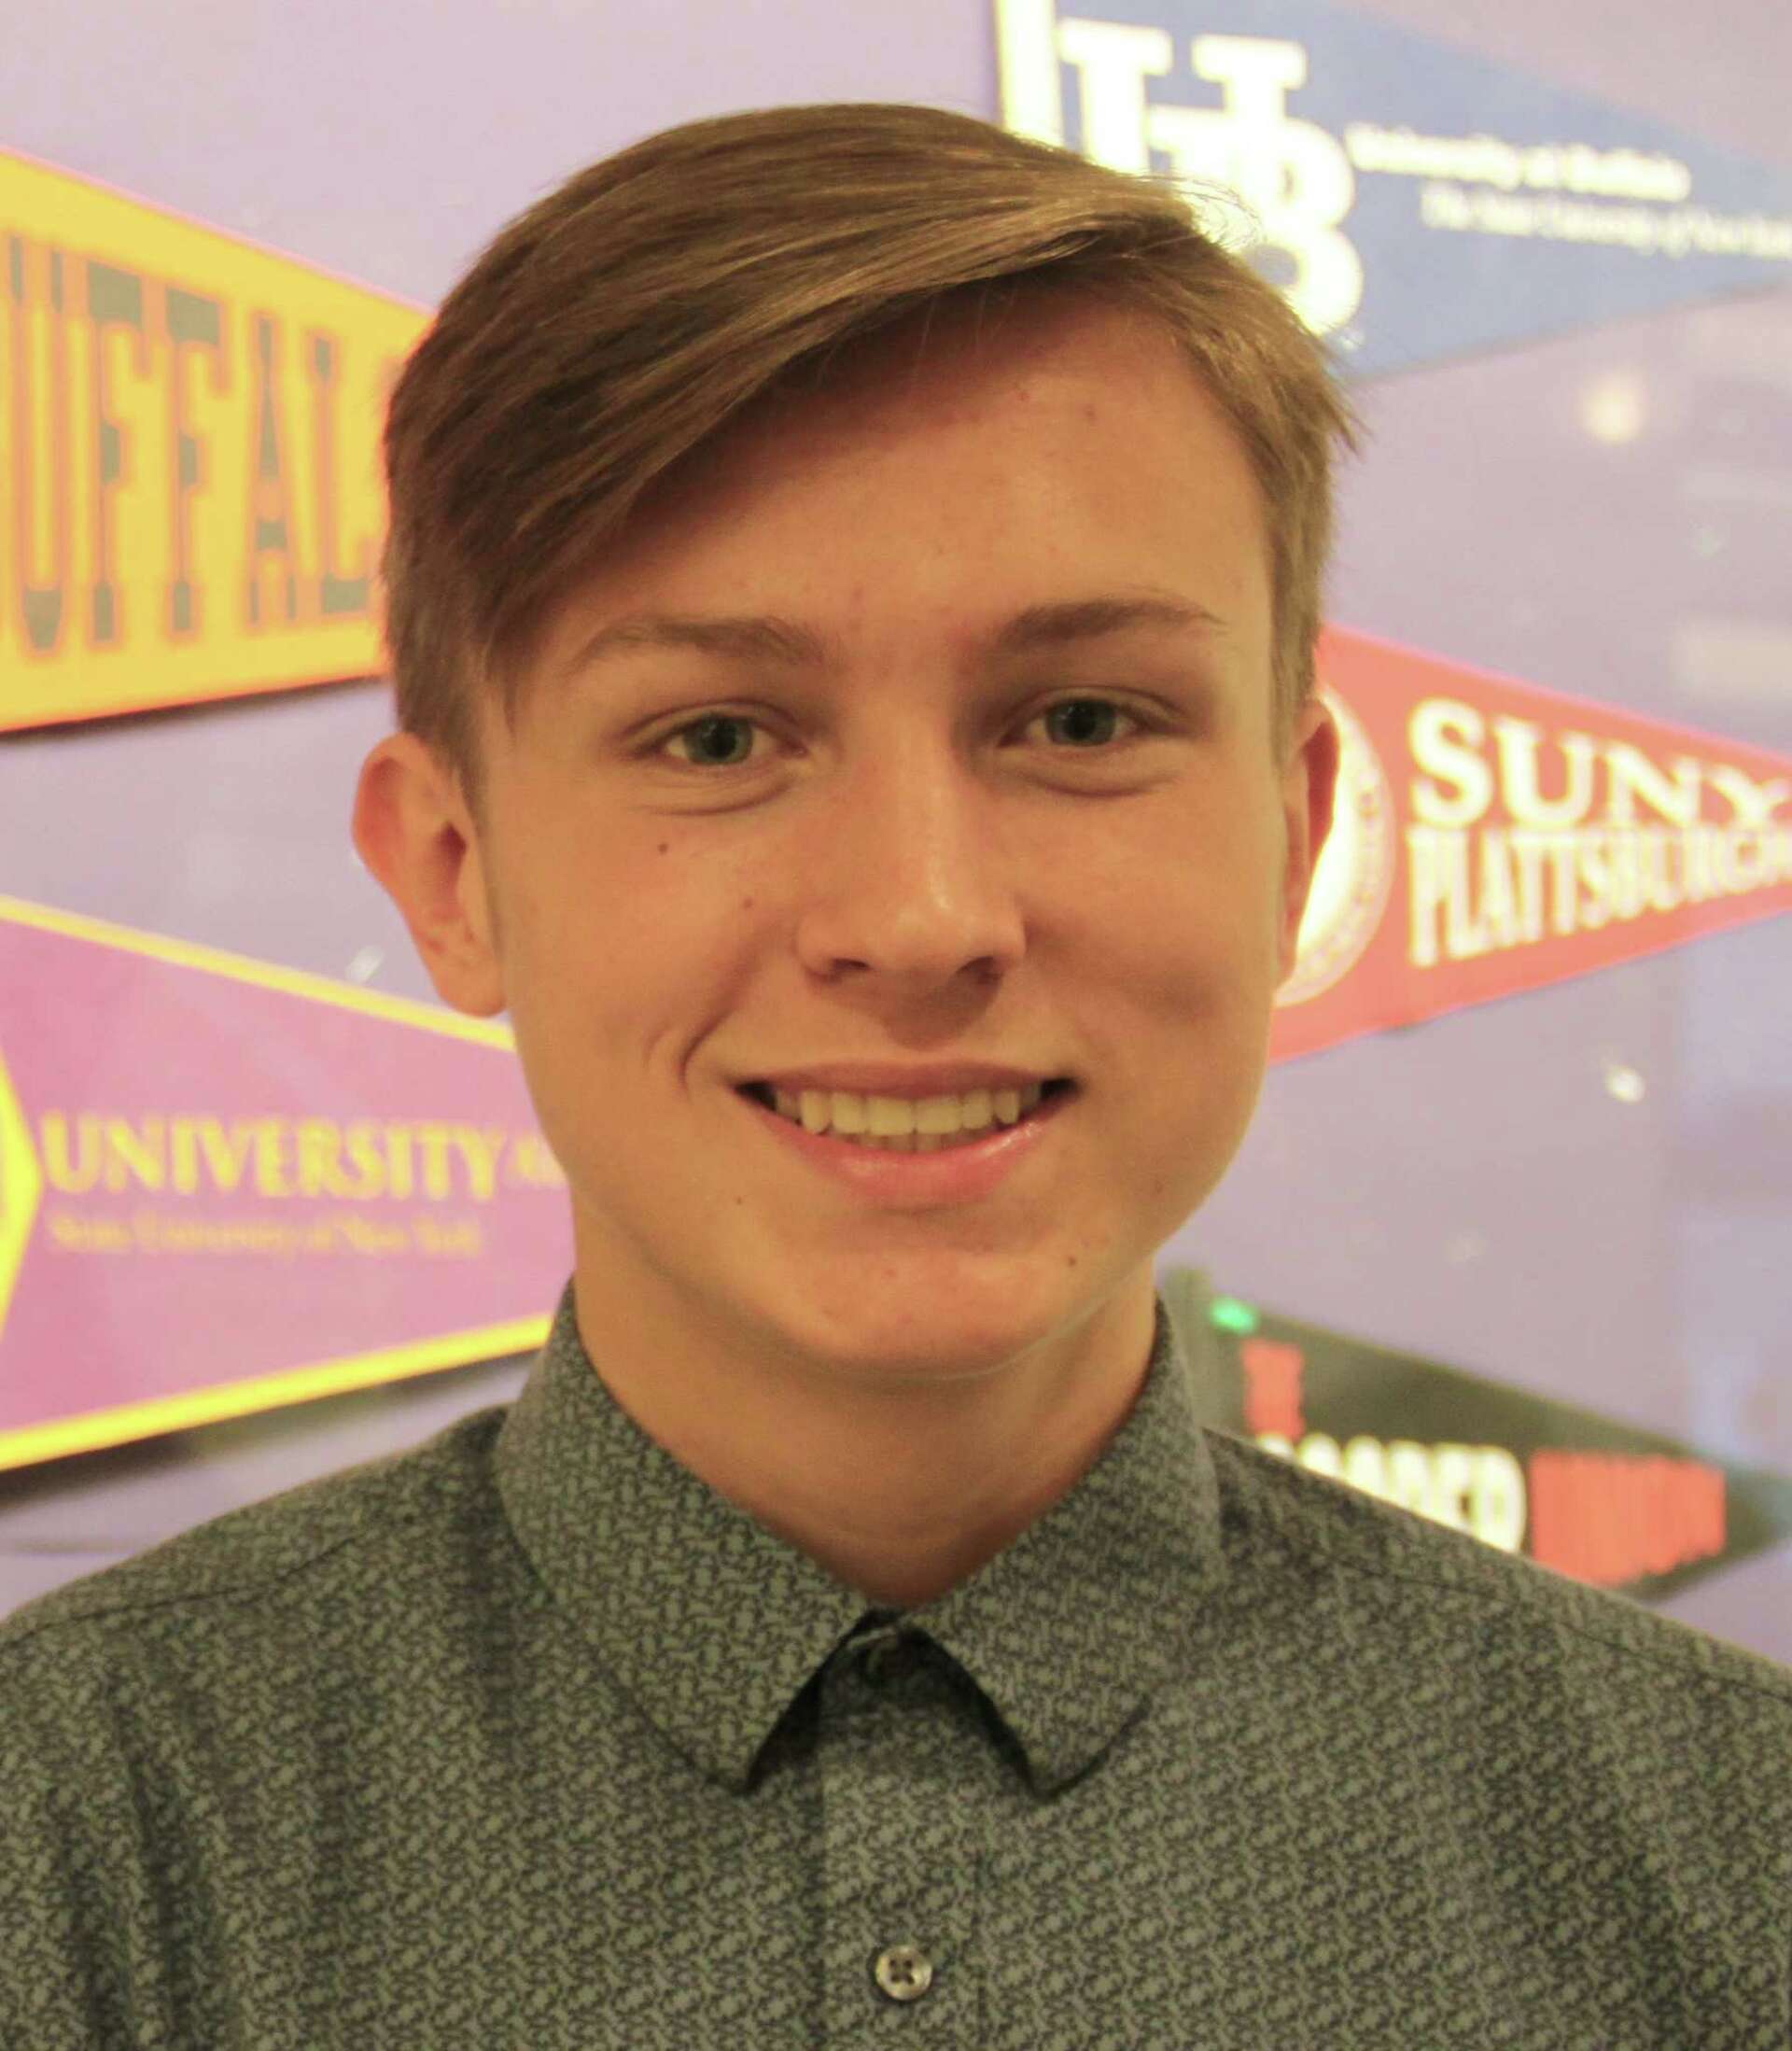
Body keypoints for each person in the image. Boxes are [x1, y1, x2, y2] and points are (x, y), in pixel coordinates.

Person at [1, 102, 1786, 2049]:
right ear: (452, 871)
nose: (921, 917)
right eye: (716, 738)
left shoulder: (1732, 1850)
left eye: (1081, 720)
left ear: (1294, 842)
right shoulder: (70, 1839)